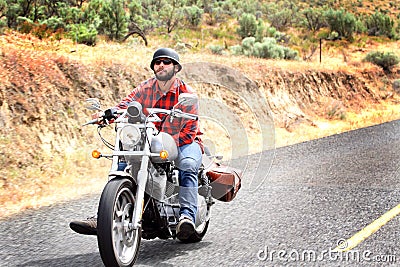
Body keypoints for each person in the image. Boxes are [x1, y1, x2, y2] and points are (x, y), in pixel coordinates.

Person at [70, 48, 203, 241]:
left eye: (166, 62)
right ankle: (106, 216)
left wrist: (167, 145)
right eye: (158, 62)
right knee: (126, 158)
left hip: (183, 141)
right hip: (151, 138)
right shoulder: (145, 88)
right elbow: (125, 105)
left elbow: (189, 130)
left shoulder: (186, 93)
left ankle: (187, 217)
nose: (161, 65)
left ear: (175, 67)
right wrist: (106, 114)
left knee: (188, 165)